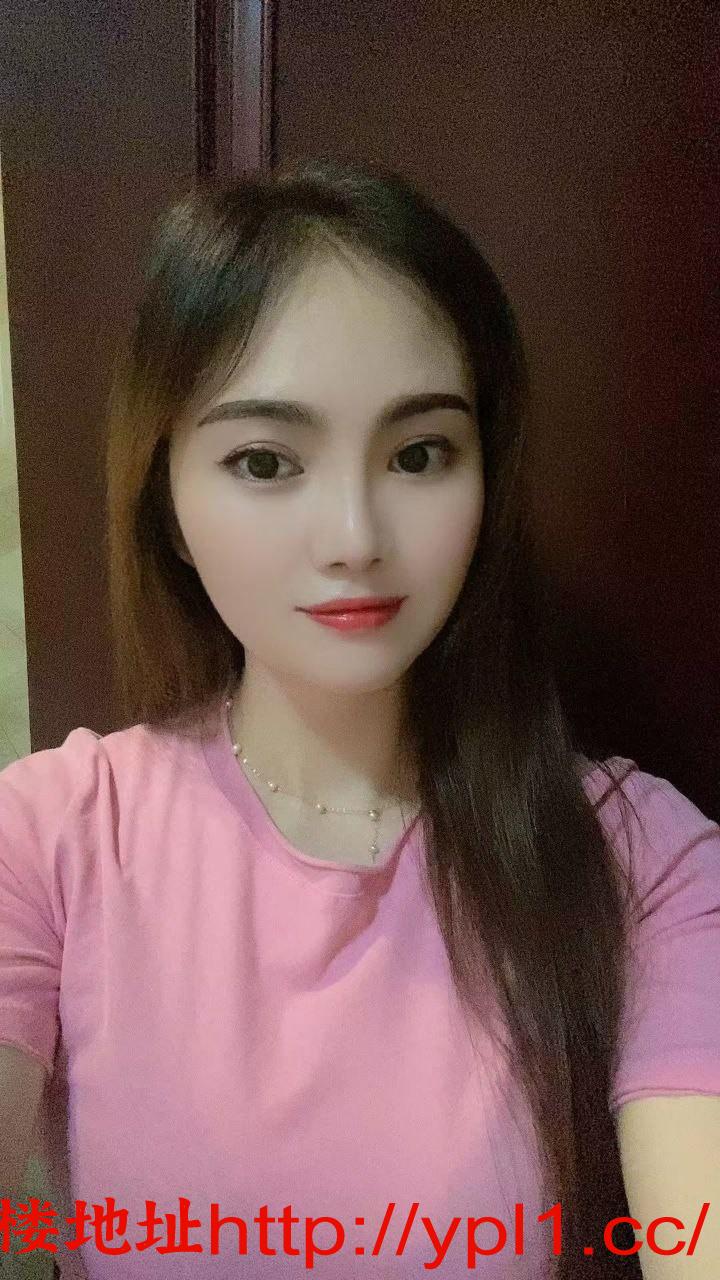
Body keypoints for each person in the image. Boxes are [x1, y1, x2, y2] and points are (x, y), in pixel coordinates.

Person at [0, 159, 718, 1280]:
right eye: (265, 461)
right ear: (170, 505)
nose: (354, 536)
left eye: (419, 454)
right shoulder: (51, 838)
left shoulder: (644, 862)